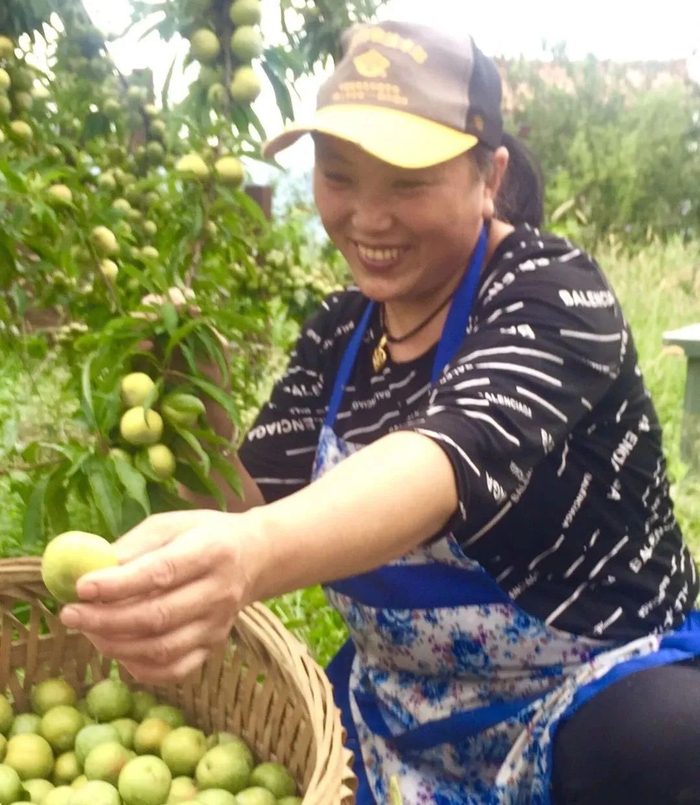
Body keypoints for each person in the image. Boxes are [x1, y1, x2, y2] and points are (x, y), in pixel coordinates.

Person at [58, 21, 700, 805]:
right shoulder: (339, 334)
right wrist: (192, 408)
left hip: (588, 696)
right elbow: (238, 508)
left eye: (407, 183)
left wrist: (252, 552)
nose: (367, 216)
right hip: (401, 718)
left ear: (489, 175)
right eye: (338, 175)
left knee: (665, 741)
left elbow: (441, 460)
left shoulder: (551, 291)